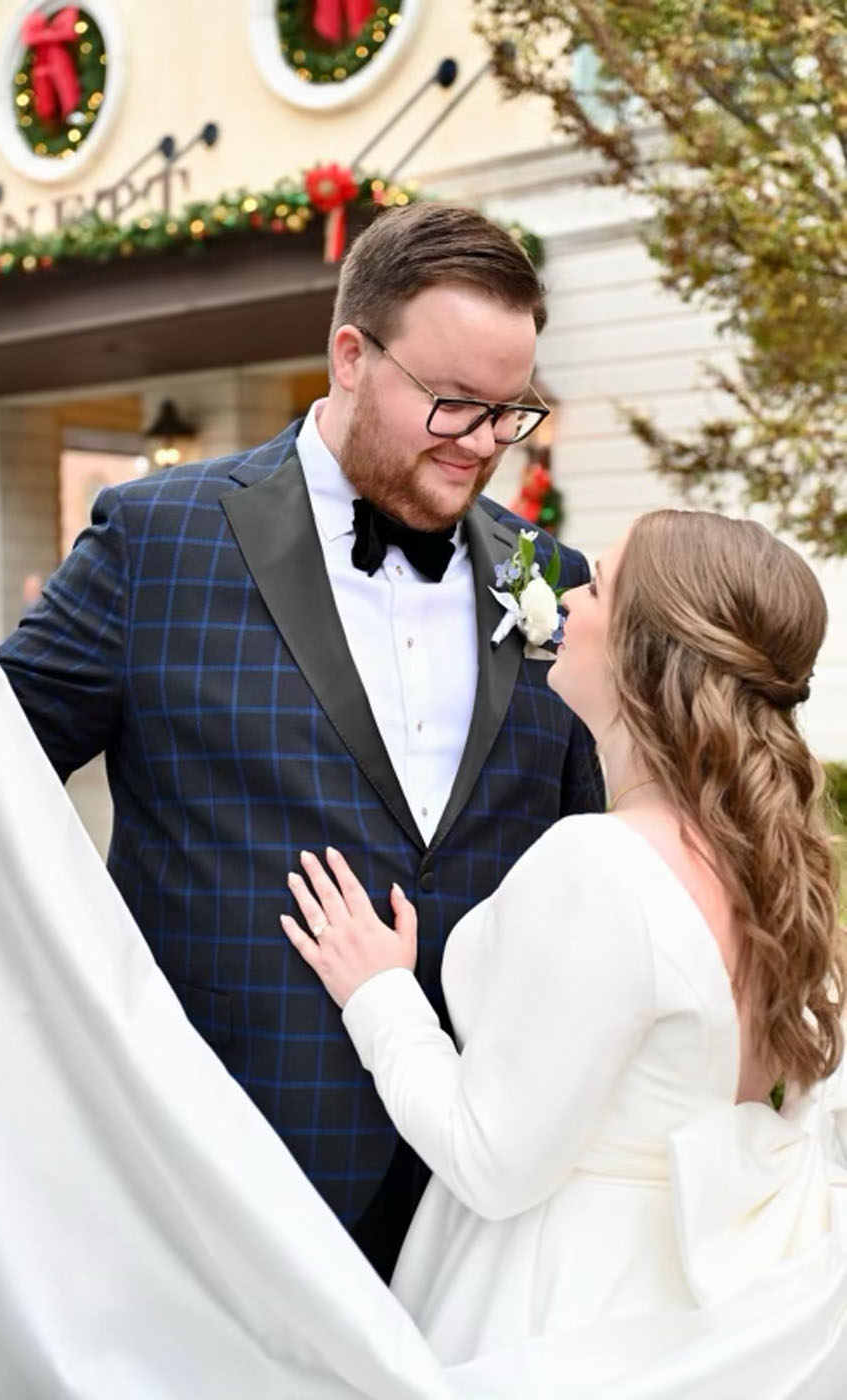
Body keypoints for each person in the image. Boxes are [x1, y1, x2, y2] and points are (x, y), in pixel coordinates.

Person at [0, 201, 602, 1275]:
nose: (482, 448)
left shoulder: (549, 582)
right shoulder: (157, 540)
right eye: (454, 403)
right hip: (219, 1170)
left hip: (477, 1200)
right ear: (352, 355)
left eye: (511, 413)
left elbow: (586, 855)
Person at [281, 509, 847, 1394]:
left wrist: (381, 996)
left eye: (596, 587)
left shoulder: (603, 863)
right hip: (687, 1295)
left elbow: (491, 1159)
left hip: (561, 1305)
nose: (566, 600)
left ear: (644, 653)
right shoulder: (759, 863)